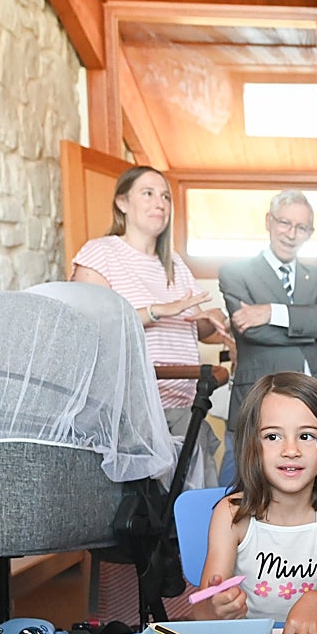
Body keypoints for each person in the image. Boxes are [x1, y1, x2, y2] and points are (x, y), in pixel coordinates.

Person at [71, 165, 231, 486]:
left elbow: (198, 323)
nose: (160, 204)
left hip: (185, 402)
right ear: (122, 203)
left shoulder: (172, 263)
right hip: (132, 407)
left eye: (166, 197)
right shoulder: (100, 252)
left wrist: (214, 320)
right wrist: (160, 310)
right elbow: (93, 324)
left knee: (196, 497)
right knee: (149, 505)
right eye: (148, 193)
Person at [192, 373, 317, 634]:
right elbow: (202, 609)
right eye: (273, 437)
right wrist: (215, 608)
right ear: (253, 443)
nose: (291, 450)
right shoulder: (231, 514)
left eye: (306, 436)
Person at [217, 190, 317, 485]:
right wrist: (311, 322)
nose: (292, 234)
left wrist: (272, 312)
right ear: (268, 221)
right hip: (258, 398)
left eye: (301, 227)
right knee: (242, 490)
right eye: (284, 223)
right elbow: (249, 329)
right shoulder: (236, 273)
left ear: (310, 232)